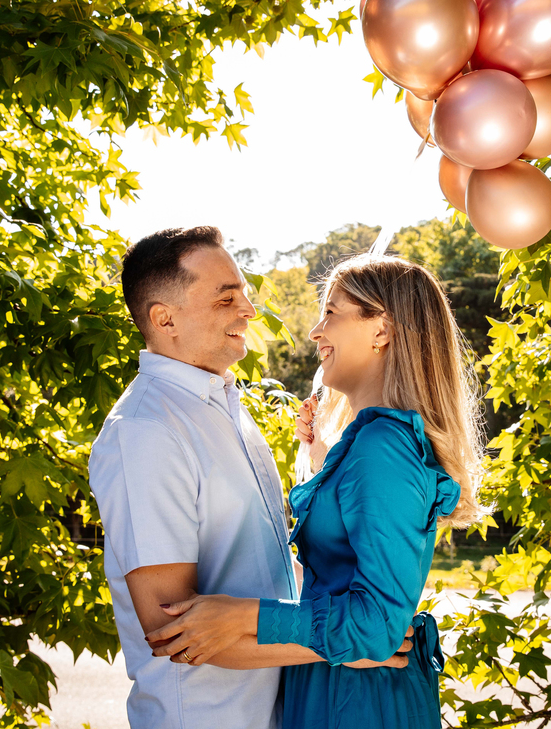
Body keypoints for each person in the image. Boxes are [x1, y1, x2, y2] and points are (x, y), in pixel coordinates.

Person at [87, 227, 411, 729]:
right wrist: (342, 645)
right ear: (163, 318)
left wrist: (362, 620)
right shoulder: (147, 431)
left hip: (278, 712)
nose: (249, 311)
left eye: (244, 293)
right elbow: (171, 627)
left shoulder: (226, 409)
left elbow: (267, 566)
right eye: (226, 298)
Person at [147, 254, 485, 729]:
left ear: (381, 331)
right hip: (337, 683)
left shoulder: (382, 448)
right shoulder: (368, 444)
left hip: (359, 702)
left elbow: (378, 626)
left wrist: (243, 617)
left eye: (332, 313)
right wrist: (323, 459)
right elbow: (342, 562)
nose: (315, 332)